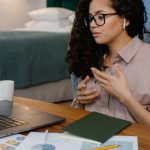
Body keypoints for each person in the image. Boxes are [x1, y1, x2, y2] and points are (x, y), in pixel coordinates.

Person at [66, 0, 150, 127]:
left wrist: (125, 97)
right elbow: (77, 121)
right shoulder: (90, 58)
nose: (93, 25)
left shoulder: (146, 58)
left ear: (125, 19)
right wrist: (80, 100)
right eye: (90, 18)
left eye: (101, 17)